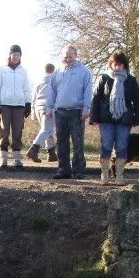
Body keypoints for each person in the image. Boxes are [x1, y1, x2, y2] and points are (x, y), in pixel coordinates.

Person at [89, 51, 139, 185]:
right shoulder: (103, 78)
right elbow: (96, 98)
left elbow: (137, 100)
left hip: (124, 119)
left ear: (124, 65)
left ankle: (119, 176)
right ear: (111, 64)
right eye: (115, 64)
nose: (117, 67)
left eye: (120, 64)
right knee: (106, 145)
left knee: (122, 146)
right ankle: (105, 175)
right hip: (106, 118)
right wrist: (93, 117)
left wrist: (138, 118)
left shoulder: (131, 80)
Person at [45, 44, 92, 179]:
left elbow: (88, 91)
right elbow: (51, 90)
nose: (68, 59)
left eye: (70, 57)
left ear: (76, 56)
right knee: (61, 142)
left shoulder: (84, 71)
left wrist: (86, 108)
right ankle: (63, 169)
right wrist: (49, 107)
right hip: (60, 112)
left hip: (77, 112)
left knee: (78, 142)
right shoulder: (57, 71)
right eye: (65, 57)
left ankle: (79, 170)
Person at [0, 44, 32, 169]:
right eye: (14, 54)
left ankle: (17, 160)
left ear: (21, 56)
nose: (16, 57)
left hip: (19, 105)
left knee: (17, 131)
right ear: (10, 55)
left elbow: (26, 88)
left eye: (18, 55)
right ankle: (3, 159)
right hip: (4, 104)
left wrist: (28, 103)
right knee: (4, 131)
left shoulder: (23, 71)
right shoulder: (2, 69)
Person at [26, 63, 57, 163]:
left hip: (38, 107)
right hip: (48, 106)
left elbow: (34, 97)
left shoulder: (39, 81)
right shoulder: (56, 80)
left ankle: (51, 153)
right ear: (54, 70)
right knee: (47, 129)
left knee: (49, 129)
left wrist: (33, 112)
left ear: (45, 70)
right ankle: (33, 149)